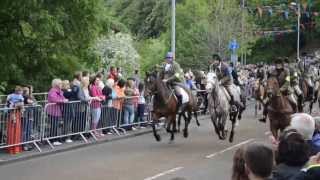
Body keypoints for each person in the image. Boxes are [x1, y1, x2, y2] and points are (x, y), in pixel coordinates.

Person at [259, 57, 294, 123]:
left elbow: (288, 82)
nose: (278, 65)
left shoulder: (286, 71)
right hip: (275, 91)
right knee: (266, 102)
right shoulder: (273, 72)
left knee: (293, 101)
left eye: (279, 63)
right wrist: (270, 88)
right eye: (277, 63)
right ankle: (264, 116)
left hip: (285, 90)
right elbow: (271, 81)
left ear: (282, 64)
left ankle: (295, 115)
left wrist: (281, 89)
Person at [47, 79, 68, 146]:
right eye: (60, 83)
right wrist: (63, 101)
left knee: (56, 125)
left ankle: (55, 138)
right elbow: (54, 99)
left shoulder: (60, 91)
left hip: (57, 111)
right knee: (54, 126)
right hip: (53, 111)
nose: (61, 85)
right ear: (57, 84)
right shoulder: (52, 91)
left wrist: (64, 99)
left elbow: (63, 97)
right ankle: (53, 140)